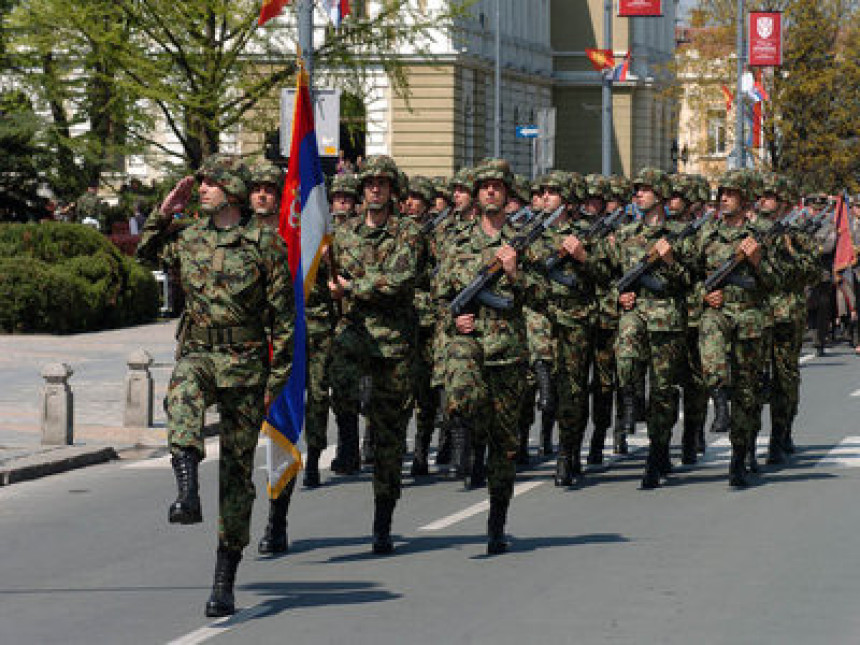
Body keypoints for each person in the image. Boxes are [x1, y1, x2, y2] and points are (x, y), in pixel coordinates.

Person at [136, 154, 294, 617]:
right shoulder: (189, 235)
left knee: (237, 476)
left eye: (209, 183)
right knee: (181, 395)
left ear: (232, 191)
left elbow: (284, 318)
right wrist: (164, 212)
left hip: (246, 365)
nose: (201, 188)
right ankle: (186, 493)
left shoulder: (264, 243)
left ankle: (224, 577)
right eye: (200, 183)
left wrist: (278, 378)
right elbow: (145, 254)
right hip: (200, 353)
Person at [434, 158, 534, 554]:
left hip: (507, 353)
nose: (491, 191)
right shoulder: (456, 242)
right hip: (469, 352)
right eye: (485, 186)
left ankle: (496, 520)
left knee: (504, 444)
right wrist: (452, 322)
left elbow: (543, 296)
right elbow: (439, 299)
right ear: (476, 196)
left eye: (498, 186)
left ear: (507, 194)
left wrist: (514, 276)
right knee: (463, 407)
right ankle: (458, 439)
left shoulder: (523, 242)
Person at [328, 154, 419, 554]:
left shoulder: (409, 233)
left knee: (389, 441)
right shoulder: (343, 235)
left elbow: (399, 279)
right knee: (337, 386)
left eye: (382, 183)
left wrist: (352, 287)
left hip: (394, 345)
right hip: (354, 336)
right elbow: (324, 280)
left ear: (393, 190)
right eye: (369, 184)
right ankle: (348, 436)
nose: (375, 189)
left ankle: (383, 521)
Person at [595, 168, 690, 490]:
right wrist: (618, 297)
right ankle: (630, 397)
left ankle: (658, 451)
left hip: (667, 320)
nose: (637, 195)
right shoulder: (624, 235)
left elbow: (692, 281)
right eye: (636, 190)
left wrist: (670, 262)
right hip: (634, 314)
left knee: (663, 392)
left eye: (645, 189)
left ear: (661, 194)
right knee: (626, 356)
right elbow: (602, 276)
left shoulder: (680, 235)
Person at [688, 169, 777, 488]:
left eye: (731, 193)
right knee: (709, 332)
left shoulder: (761, 235)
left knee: (748, 393)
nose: (723, 198)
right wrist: (704, 294)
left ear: (745, 198)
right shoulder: (706, 235)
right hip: (717, 312)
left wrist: (757, 264)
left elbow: (779, 282)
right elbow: (686, 277)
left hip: (751, 317)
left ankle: (740, 455)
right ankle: (718, 398)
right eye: (721, 193)